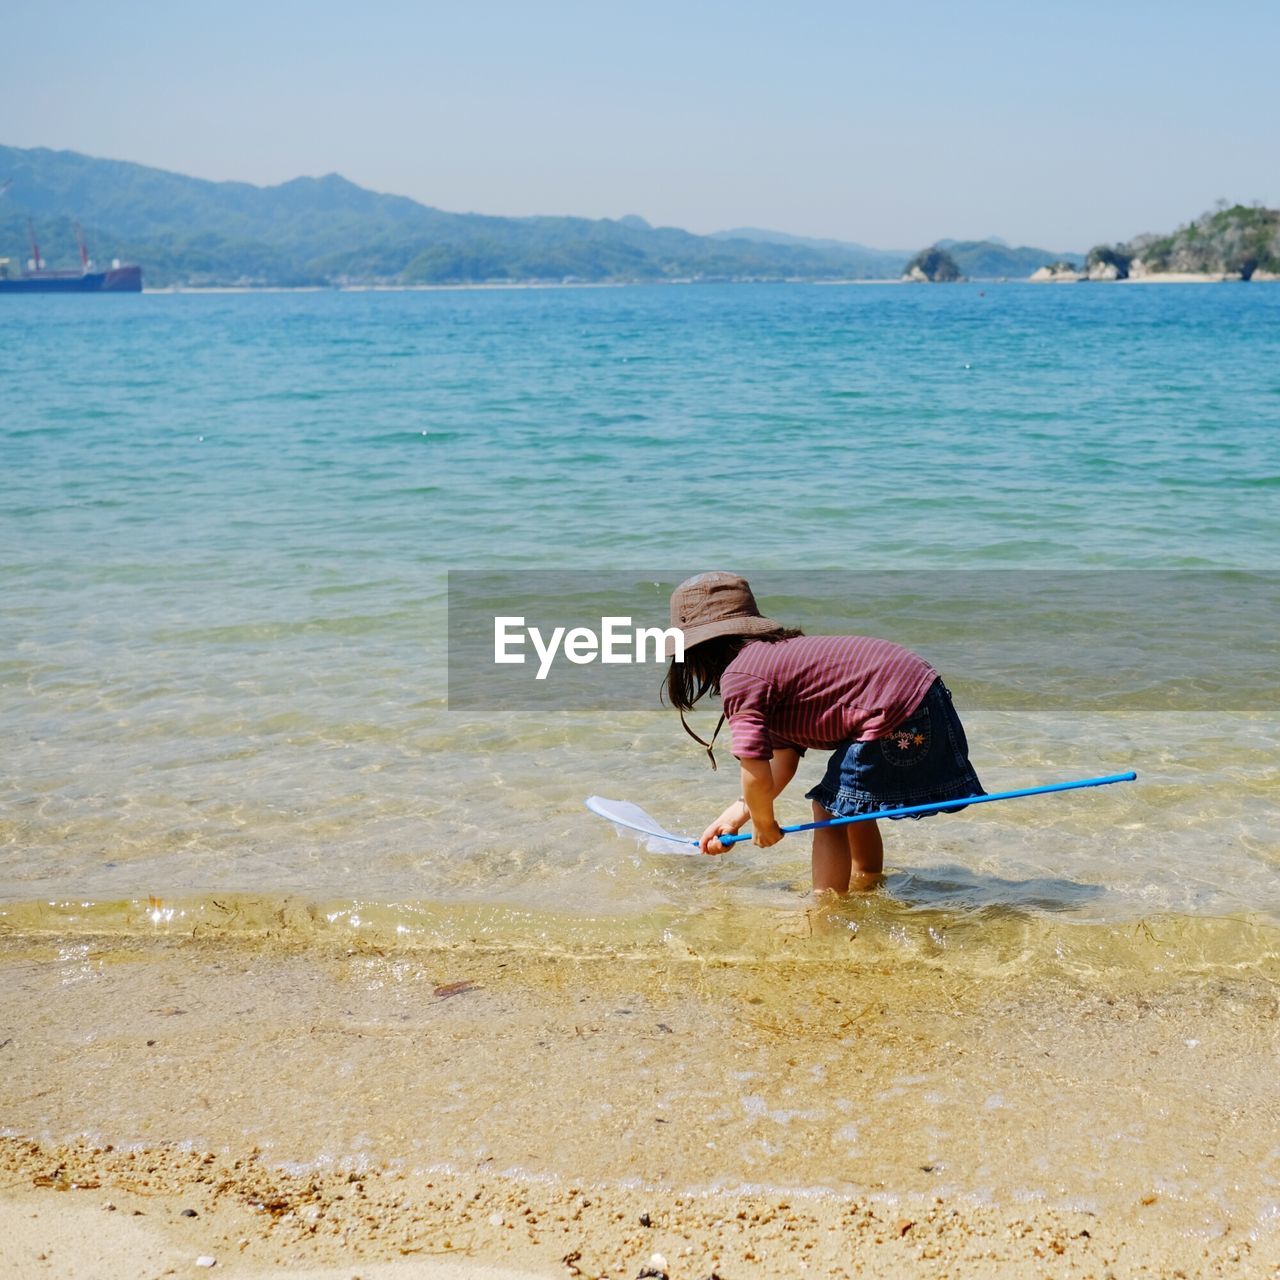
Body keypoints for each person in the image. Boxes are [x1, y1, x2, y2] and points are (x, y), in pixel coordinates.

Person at [664, 572, 984, 894]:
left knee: (829, 808)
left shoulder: (742, 676)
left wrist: (764, 824)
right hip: (918, 694)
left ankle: (826, 909)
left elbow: (755, 770)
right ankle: (868, 881)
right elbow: (781, 764)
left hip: (894, 705)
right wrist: (733, 818)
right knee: (852, 804)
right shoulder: (771, 664)